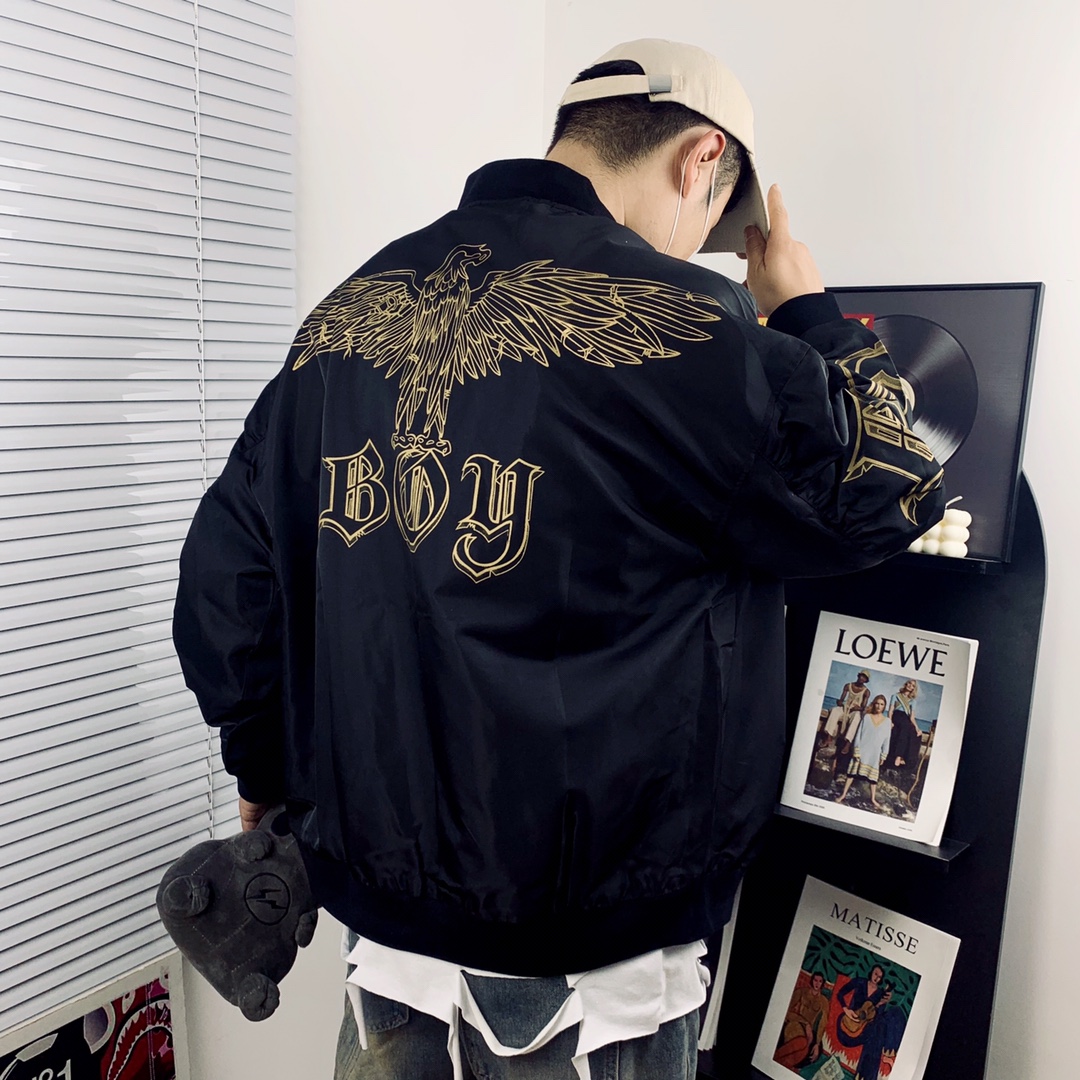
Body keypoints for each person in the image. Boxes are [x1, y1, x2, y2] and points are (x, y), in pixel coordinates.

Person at [173, 38, 945, 1079]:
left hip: (385, 944)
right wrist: (805, 312)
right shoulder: (688, 327)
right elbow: (891, 488)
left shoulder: (344, 317)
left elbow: (229, 583)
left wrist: (262, 768)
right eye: (711, 224)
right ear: (701, 159)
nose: (697, 249)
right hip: (599, 975)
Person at [835, 695, 893, 811]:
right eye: (877, 703)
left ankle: (873, 799)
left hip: (874, 754)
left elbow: (887, 740)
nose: (879, 706)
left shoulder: (887, 722)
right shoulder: (867, 717)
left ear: (884, 707)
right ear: (874, 704)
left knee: (873, 779)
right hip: (862, 751)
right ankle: (843, 794)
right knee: (851, 774)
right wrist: (856, 750)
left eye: (882, 704)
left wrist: (883, 755)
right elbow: (858, 735)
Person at [774, 971, 829, 1071]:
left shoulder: (824, 1001)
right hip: (796, 1023)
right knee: (802, 1042)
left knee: (808, 1048)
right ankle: (777, 1058)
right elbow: (787, 1011)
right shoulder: (801, 992)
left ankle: (780, 1062)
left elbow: (823, 1023)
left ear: (822, 983)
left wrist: (817, 1043)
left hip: (810, 1031)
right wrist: (805, 1023)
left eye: (820, 981)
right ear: (812, 981)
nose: (817, 983)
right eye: (815, 980)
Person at [887, 679, 921, 776]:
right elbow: (890, 711)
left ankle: (906, 759)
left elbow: (912, 717)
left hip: (906, 719)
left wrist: (917, 728)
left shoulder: (913, 701)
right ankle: (898, 755)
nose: (910, 686)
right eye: (909, 683)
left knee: (914, 733)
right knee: (904, 727)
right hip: (897, 716)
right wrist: (890, 721)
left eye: (913, 685)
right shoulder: (895, 696)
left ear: (913, 689)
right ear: (906, 684)